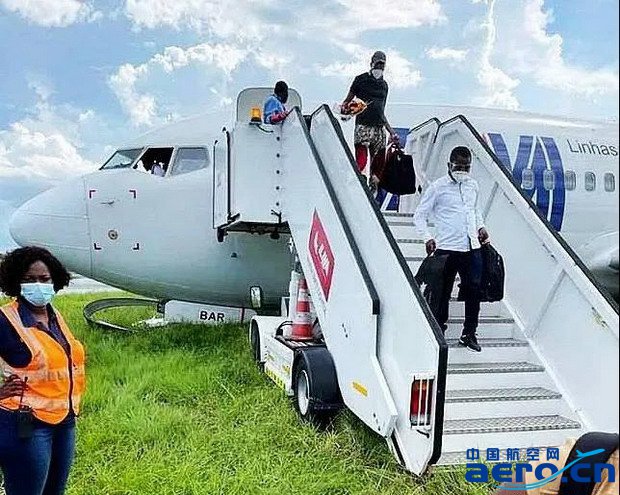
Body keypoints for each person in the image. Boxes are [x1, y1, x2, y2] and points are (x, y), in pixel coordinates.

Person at [0, 247, 86, 495]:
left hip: (65, 420)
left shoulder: (55, 315)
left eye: (44, 278)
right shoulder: (5, 320)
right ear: (16, 282)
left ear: (54, 280)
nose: (38, 285)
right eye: (29, 279)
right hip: (26, 425)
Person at [413, 146, 489, 352]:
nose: (462, 171)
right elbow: (419, 215)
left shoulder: (473, 185)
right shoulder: (438, 188)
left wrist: (480, 226)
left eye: (466, 167)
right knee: (442, 293)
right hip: (447, 247)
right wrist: (427, 237)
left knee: (474, 290)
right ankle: (439, 331)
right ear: (449, 165)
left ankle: (469, 333)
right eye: (459, 166)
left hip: (471, 246)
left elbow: (475, 210)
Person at [341, 50, 400, 188]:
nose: (379, 67)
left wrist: (391, 132)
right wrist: (345, 110)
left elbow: (381, 111)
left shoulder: (384, 85)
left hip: (379, 128)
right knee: (361, 160)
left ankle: (373, 186)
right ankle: (359, 179)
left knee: (378, 166)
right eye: (377, 64)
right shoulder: (360, 79)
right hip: (363, 126)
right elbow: (347, 101)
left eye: (382, 65)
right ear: (371, 63)